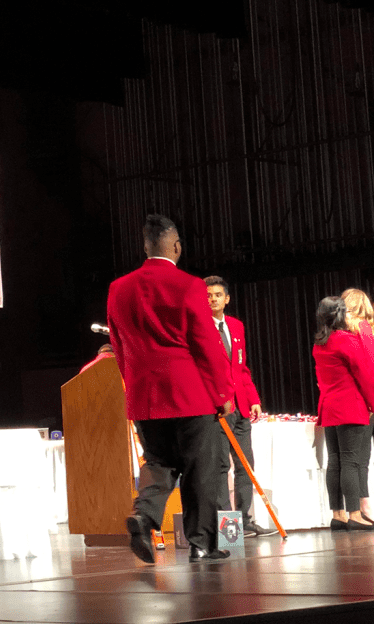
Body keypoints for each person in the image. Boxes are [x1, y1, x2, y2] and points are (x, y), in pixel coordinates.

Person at [107, 214, 234, 564]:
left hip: (144, 395)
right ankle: (201, 543)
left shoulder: (119, 288)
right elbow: (205, 344)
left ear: (145, 247)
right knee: (200, 469)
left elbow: (118, 344)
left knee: (159, 462)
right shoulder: (188, 285)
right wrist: (223, 394)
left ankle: (145, 516)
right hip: (189, 393)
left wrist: (133, 383)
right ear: (176, 246)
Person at [204, 276, 277, 538]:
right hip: (218, 409)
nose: (212, 299)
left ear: (227, 298)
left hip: (242, 406)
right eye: (208, 295)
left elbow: (241, 367)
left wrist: (254, 397)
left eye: (217, 295)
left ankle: (245, 520)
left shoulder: (236, 326)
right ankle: (229, 528)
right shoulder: (200, 327)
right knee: (222, 466)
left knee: (245, 465)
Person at [312, 296, 374, 531]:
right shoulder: (346, 340)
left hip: (329, 405)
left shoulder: (320, 342)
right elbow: (366, 376)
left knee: (335, 461)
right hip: (350, 405)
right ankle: (355, 514)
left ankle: (338, 514)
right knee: (351, 460)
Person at [340, 288, 374, 522]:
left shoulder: (336, 332)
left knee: (353, 459)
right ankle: (361, 508)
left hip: (351, 399)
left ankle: (356, 509)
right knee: (360, 459)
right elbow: (367, 368)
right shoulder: (364, 329)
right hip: (363, 399)